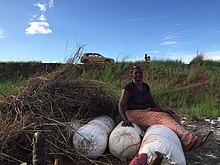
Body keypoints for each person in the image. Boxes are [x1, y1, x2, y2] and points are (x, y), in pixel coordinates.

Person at [118, 65, 213, 151]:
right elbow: (121, 104)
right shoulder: (128, 88)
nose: (138, 74)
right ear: (132, 75)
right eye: (136, 73)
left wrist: (163, 110)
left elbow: (152, 103)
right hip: (134, 113)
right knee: (162, 118)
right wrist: (125, 119)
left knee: (173, 115)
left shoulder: (145, 86)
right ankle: (191, 140)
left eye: (140, 73)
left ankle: (183, 143)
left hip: (145, 111)